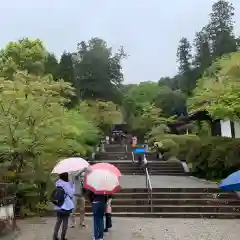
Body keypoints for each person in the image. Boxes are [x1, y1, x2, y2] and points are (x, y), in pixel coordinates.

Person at [52, 172, 75, 240]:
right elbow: (71, 193)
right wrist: (73, 186)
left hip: (58, 204)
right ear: (66, 176)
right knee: (65, 221)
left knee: (58, 220)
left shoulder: (57, 182)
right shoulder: (65, 184)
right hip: (66, 205)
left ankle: (54, 236)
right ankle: (63, 237)